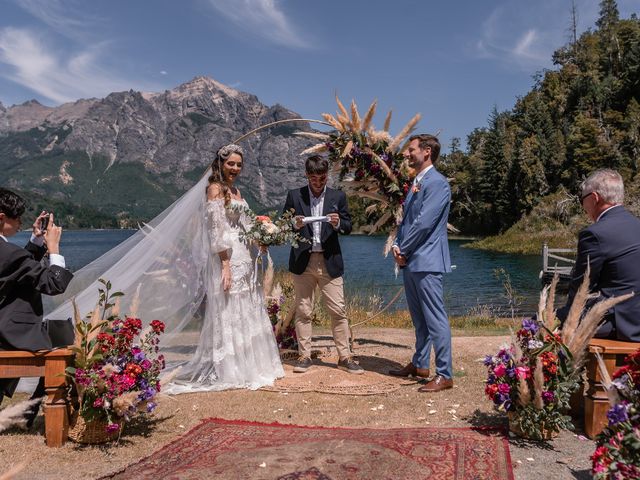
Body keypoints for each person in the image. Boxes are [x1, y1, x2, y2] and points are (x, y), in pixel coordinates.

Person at [45, 144, 284, 393]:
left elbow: (245, 223)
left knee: (248, 305)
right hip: (227, 256)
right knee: (229, 307)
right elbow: (216, 229)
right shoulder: (214, 188)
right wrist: (224, 263)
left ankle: (253, 364)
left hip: (245, 254)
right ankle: (232, 368)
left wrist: (261, 238)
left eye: (238, 164)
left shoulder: (236, 190)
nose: (235, 168)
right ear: (221, 164)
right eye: (231, 163)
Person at [283, 155, 363, 374]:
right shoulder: (295, 195)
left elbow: (348, 226)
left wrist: (338, 223)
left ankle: (345, 357)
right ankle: (304, 356)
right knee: (303, 310)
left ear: (327, 175)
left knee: (338, 310)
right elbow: (284, 225)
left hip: (330, 261)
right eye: (313, 178)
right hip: (303, 261)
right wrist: (294, 224)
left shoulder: (338, 195)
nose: (318, 183)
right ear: (307, 176)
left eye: (322, 178)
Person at [0, 188, 73, 425]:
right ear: (2, 218)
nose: (21, 223)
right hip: (7, 332)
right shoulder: (8, 253)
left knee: (57, 332)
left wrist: (35, 242)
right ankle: (33, 406)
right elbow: (54, 284)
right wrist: (53, 248)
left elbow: (13, 269)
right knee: (65, 336)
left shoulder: (8, 253)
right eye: (17, 217)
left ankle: (26, 408)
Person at [389, 134, 453, 392]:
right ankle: (420, 364)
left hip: (426, 259)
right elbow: (407, 221)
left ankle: (445, 373)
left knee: (435, 318)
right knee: (419, 319)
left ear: (427, 152)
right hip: (412, 260)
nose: (407, 154)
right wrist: (397, 246)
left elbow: (424, 223)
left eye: (411, 149)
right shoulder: (417, 182)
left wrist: (403, 247)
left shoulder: (437, 183)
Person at [556, 169, 640, 342]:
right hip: (635, 319)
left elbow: (581, 289)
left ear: (594, 198)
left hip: (620, 325)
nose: (582, 205)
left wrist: (562, 316)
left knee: (538, 323)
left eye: (582, 199)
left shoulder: (595, 234)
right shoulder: (636, 224)